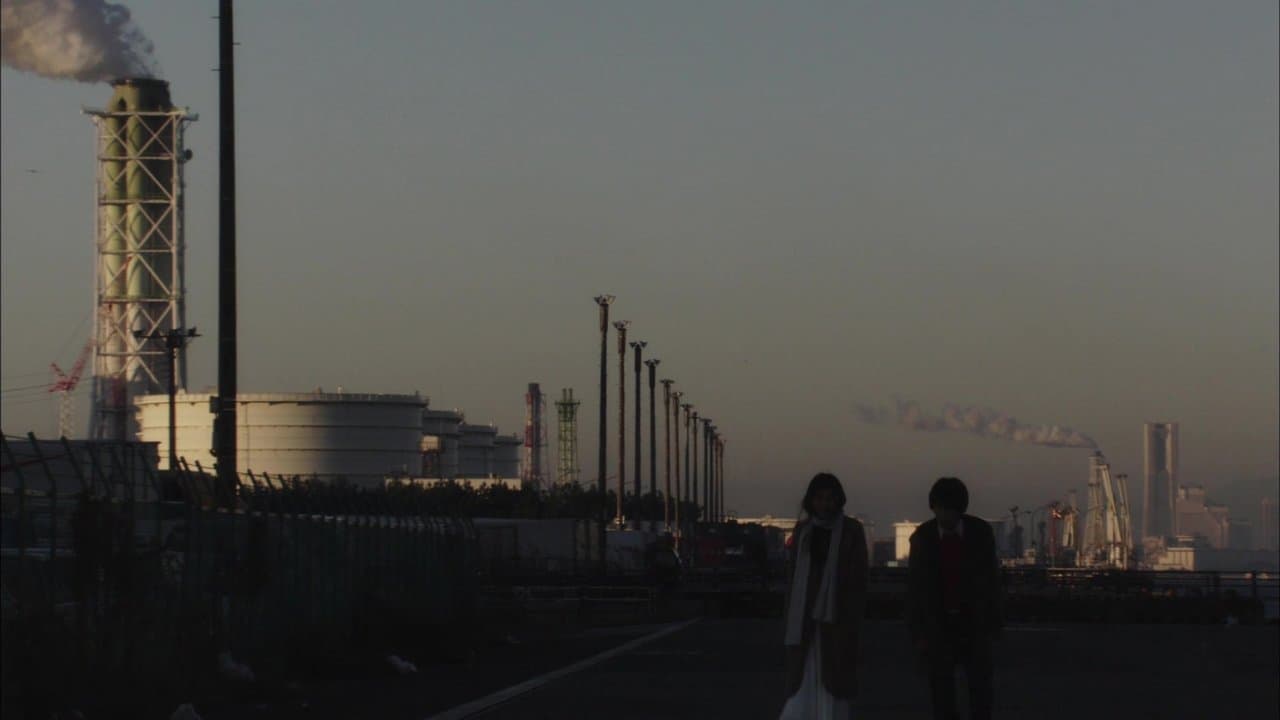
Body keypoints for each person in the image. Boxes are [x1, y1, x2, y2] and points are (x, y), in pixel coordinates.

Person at [907, 477, 1002, 720]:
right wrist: (920, 632)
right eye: (942, 509)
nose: (945, 516)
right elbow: (917, 588)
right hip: (939, 624)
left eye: (949, 510)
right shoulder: (922, 537)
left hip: (973, 622)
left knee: (980, 693)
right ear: (934, 507)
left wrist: (991, 624)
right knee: (942, 694)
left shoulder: (980, 534)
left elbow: (991, 581)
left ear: (960, 510)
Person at [779, 473, 868, 720]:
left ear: (839, 500)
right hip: (804, 621)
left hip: (837, 619)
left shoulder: (851, 530)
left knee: (834, 682)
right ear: (811, 501)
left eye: (830, 498)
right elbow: (793, 575)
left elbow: (858, 577)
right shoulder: (803, 530)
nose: (825, 504)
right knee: (803, 680)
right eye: (819, 498)